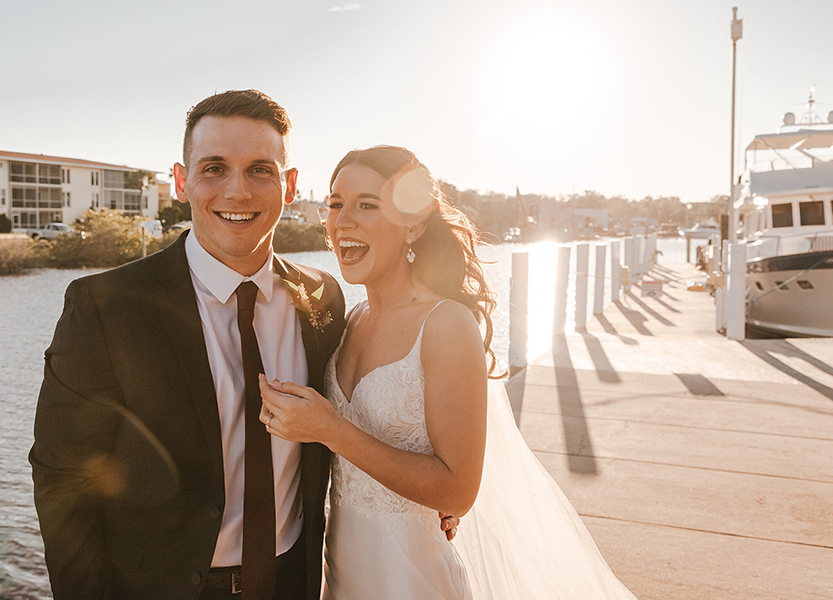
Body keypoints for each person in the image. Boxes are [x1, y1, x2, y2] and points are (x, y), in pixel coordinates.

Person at [29, 91, 456, 600]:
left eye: (260, 169)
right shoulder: (105, 306)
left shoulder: (323, 298)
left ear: (289, 185)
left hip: (294, 583)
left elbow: (355, 412)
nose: (238, 191)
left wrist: (433, 493)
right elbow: (62, 479)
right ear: (181, 182)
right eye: (214, 168)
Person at [259, 146, 639, 599]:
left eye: (368, 205)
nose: (343, 222)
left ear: (414, 225)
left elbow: (458, 493)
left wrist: (331, 430)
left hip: (412, 578)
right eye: (336, 204)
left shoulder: (445, 325)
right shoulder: (350, 318)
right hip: (341, 572)